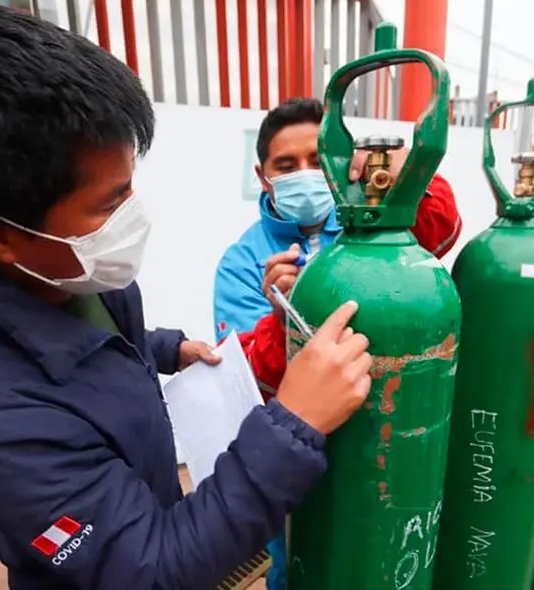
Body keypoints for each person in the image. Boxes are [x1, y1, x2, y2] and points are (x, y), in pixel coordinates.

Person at [0, 7, 375, 589]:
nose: (132, 214)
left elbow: (92, 340)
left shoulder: (65, 268)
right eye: (109, 202)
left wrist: (167, 349)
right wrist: (294, 423)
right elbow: (152, 570)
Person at [212, 97, 462, 589]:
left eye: (316, 159)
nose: (305, 174)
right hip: (301, 455)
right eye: (287, 165)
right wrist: (283, 313)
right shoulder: (242, 262)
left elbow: (442, 225)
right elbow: (247, 372)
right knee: (303, 562)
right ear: (264, 177)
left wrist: (403, 171)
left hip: (391, 435)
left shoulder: (373, 226)